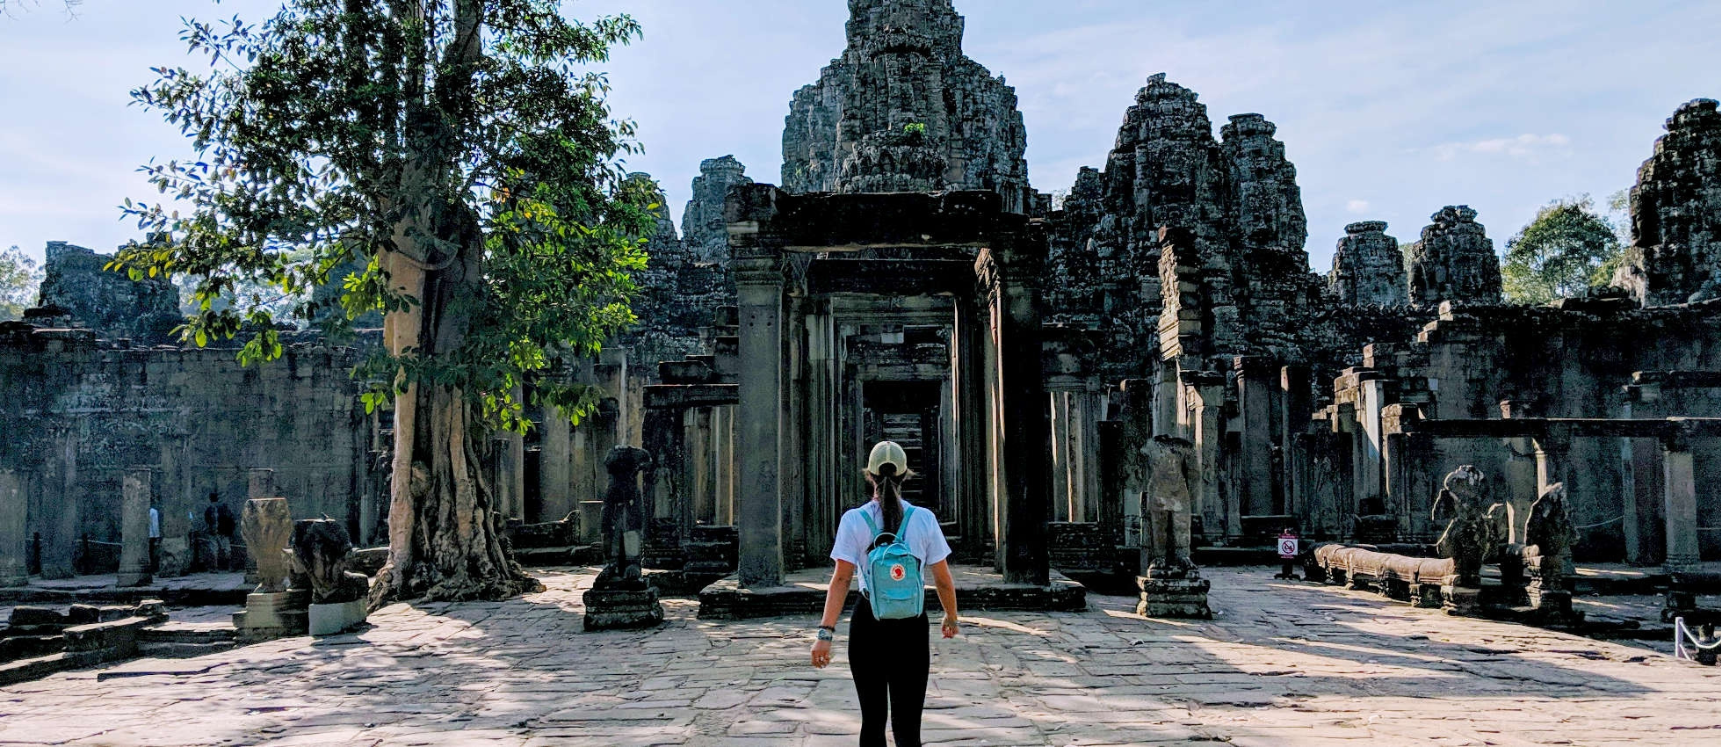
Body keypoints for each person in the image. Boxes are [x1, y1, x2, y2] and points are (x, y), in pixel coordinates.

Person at [811, 441, 959, 747]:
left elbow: (841, 579)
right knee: (908, 727)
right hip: (912, 623)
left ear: (870, 476)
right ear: (906, 475)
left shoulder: (854, 519)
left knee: (873, 721)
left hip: (868, 622)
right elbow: (942, 579)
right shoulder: (924, 519)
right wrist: (951, 616)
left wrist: (825, 633)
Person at [204, 493, 235, 571]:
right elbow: (230, 518)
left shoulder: (209, 509)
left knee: (214, 549)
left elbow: (207, 520)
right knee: (227, 549)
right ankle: (229, 567)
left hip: (213, 531)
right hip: (223, 531)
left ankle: (215, 567)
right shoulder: (223, 508)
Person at [148, 503, 162, 573]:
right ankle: (152, 568)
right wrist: (157, 536)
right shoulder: (153, 511)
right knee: (151, 552)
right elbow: (155, 524)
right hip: (151, 535)